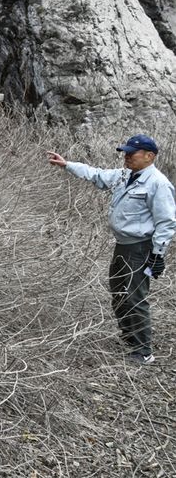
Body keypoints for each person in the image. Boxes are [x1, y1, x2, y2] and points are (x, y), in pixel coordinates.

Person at [47, 134, 176, 364]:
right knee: (118, 294)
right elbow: (96, 174)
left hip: (140, 248)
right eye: (125, 152)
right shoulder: (125, 175)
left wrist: (158, 255)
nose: (126, 157)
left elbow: (166, 222)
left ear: (149, 156)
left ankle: (143, 350)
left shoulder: (158, 183)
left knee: (135, 297)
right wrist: (67, 165)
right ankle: (129, 338)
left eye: (131, 153)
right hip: (123, 246)